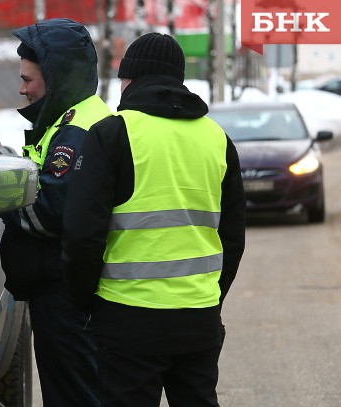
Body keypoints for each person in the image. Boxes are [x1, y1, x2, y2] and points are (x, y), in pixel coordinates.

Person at [61, 32, 246, 406]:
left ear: (130, 78)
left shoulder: (112, 134)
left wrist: (85, 303)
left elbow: (82, 235)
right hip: (198, 319)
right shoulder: (217, 138)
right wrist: (210, 298)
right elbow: (234, 237)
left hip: (127, 320)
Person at [0, 18, 111, 406]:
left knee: (75, 396)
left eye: (29, 79)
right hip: (65, 290)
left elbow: (50, 213)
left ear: (56, 77)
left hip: (67, 296)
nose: (22, 88)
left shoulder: (77, 129)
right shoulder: (71, 120)